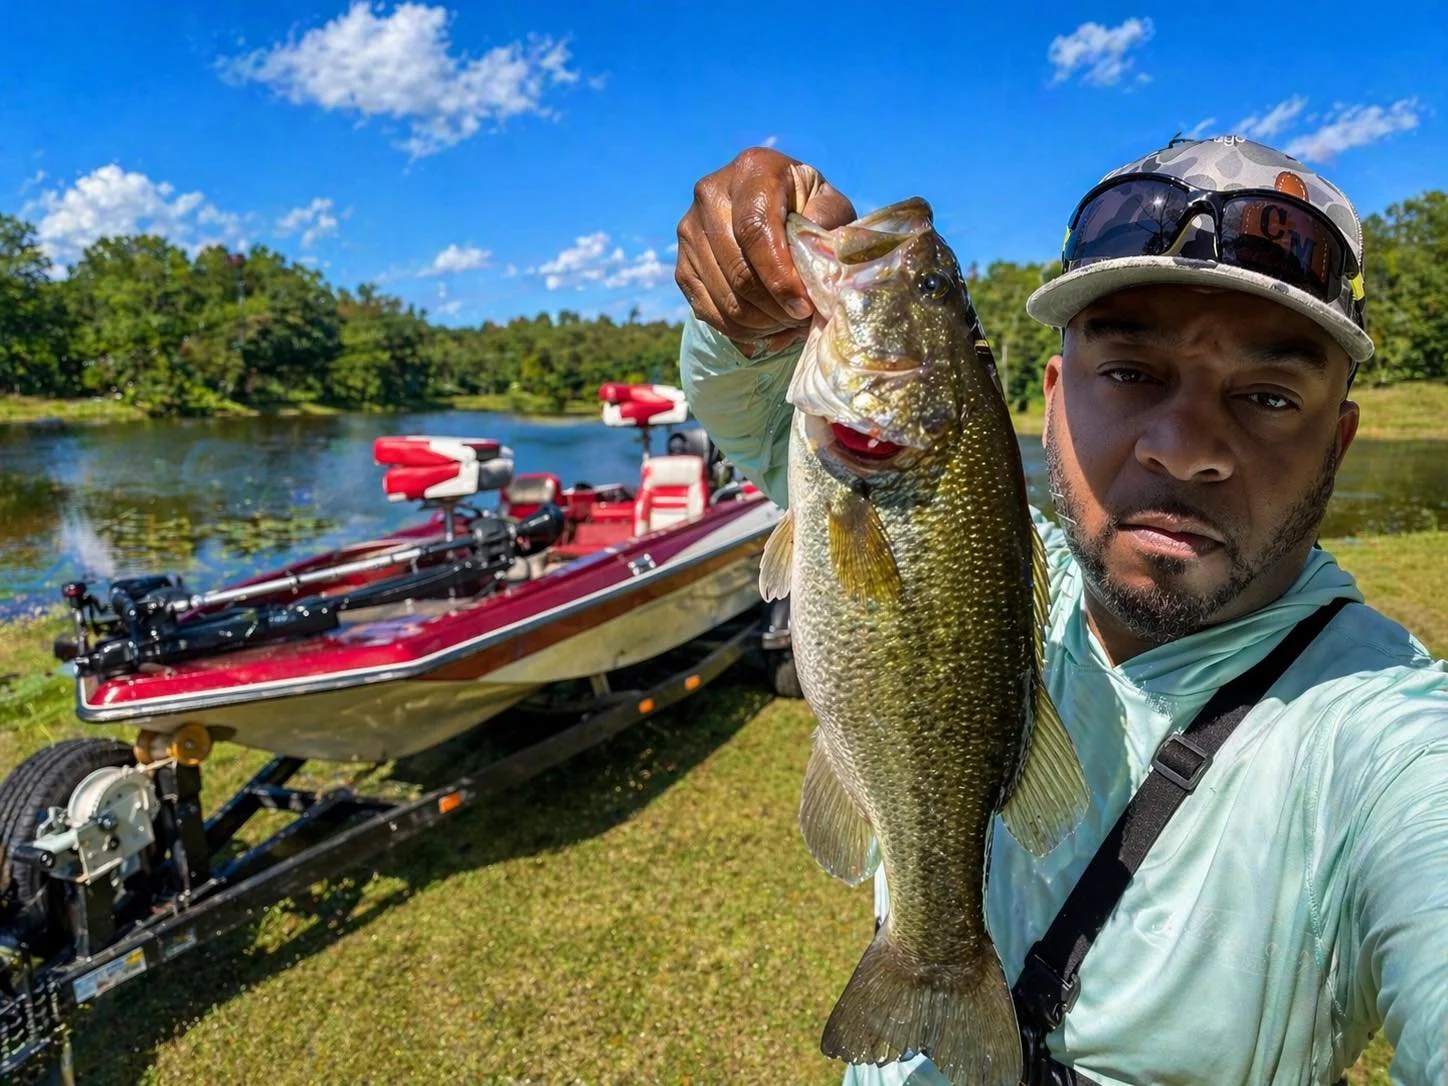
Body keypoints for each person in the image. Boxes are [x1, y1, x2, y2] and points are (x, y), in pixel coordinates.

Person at [673, 137, 1448, 1086]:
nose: (1184, 448)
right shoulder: (1010, 566)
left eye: (1269, 394)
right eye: (1129, 372)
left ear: (1340, 440)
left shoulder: (1394, 746)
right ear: (1049, 399)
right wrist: (749, 306)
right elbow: (747, 395)